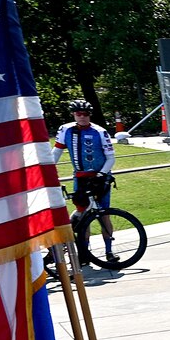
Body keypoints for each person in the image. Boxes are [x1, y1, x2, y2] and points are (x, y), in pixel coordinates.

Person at [51, 99, 117, 255]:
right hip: (80, 178)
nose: (82, 117)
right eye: (79, 114)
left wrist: (101, 174)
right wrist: (47, 171)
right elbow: (56, 153)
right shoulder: (65, 130)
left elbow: (111, 158)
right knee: (83, 216)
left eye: (86, 114)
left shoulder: (100, 132)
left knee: (104, 214)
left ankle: (109, 251)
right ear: (74, 114)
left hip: (101, 178)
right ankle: (84, 252)